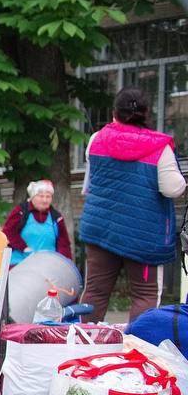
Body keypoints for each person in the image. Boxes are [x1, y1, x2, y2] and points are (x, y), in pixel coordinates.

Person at [79, 87, 186, 322]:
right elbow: (172, 188)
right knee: (145, 295)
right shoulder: (160, 147)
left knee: (95, 292)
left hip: (101, 230)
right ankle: (138, 343)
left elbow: (90, 182)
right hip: (143, 236)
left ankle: (84, 341)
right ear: (146, 113)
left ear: (115, 113)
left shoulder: (97, 139)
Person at [2, 179, 73, 267]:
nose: (44, 200)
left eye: (48, 196)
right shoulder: (21, 212)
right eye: (41, 196)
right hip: (19, 263)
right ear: (33, 197)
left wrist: (65, 263)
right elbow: (8, 232)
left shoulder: (56, 217)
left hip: (48, 265)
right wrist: (24, 248)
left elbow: (64, 244)